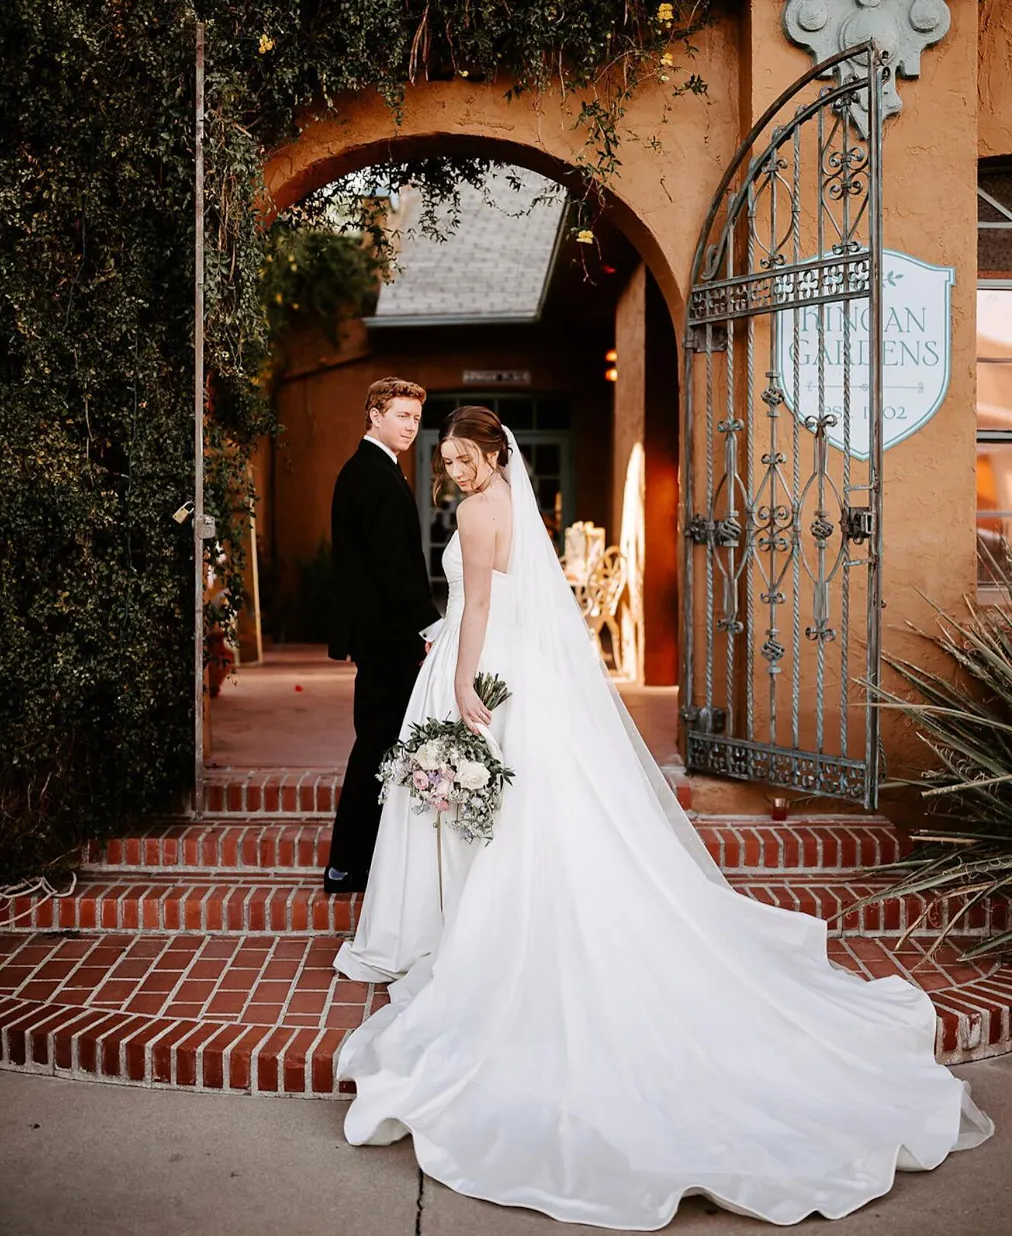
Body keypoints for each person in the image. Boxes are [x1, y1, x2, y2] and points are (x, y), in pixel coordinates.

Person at [333, 406, 993, 1228]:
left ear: (492, 455)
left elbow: (477, 610)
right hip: (528, 671)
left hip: (484, 668)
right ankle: (483, 916)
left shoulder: (474, 513)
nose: (455, 472)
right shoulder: (515, 506)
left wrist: (462, 681)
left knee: (491, 806)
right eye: (452, 461)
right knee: (519, 806)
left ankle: (475, 927)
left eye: (465, 459)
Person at [324, 377, 441, 894]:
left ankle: (359, 860)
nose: (411, 426)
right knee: (376, 744)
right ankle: (348, 865)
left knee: (380, 742)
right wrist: (429, 625)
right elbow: (392, 567)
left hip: (380, 634)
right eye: (401, 416)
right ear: (375, 415)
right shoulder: (372, 475)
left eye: (416, 418)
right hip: (386, 636)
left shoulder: (375, 468)